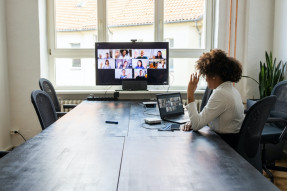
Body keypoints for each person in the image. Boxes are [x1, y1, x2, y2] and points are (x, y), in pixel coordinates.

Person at [182, 49, 244, 149]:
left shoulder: (221, 93)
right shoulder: (230, 89)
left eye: (206, 75)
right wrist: (194, 121)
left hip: (224, 144)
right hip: (228, 139)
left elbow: (197, 125)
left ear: (214, 76)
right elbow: (201, 121)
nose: (205, 79)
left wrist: (190, 94)